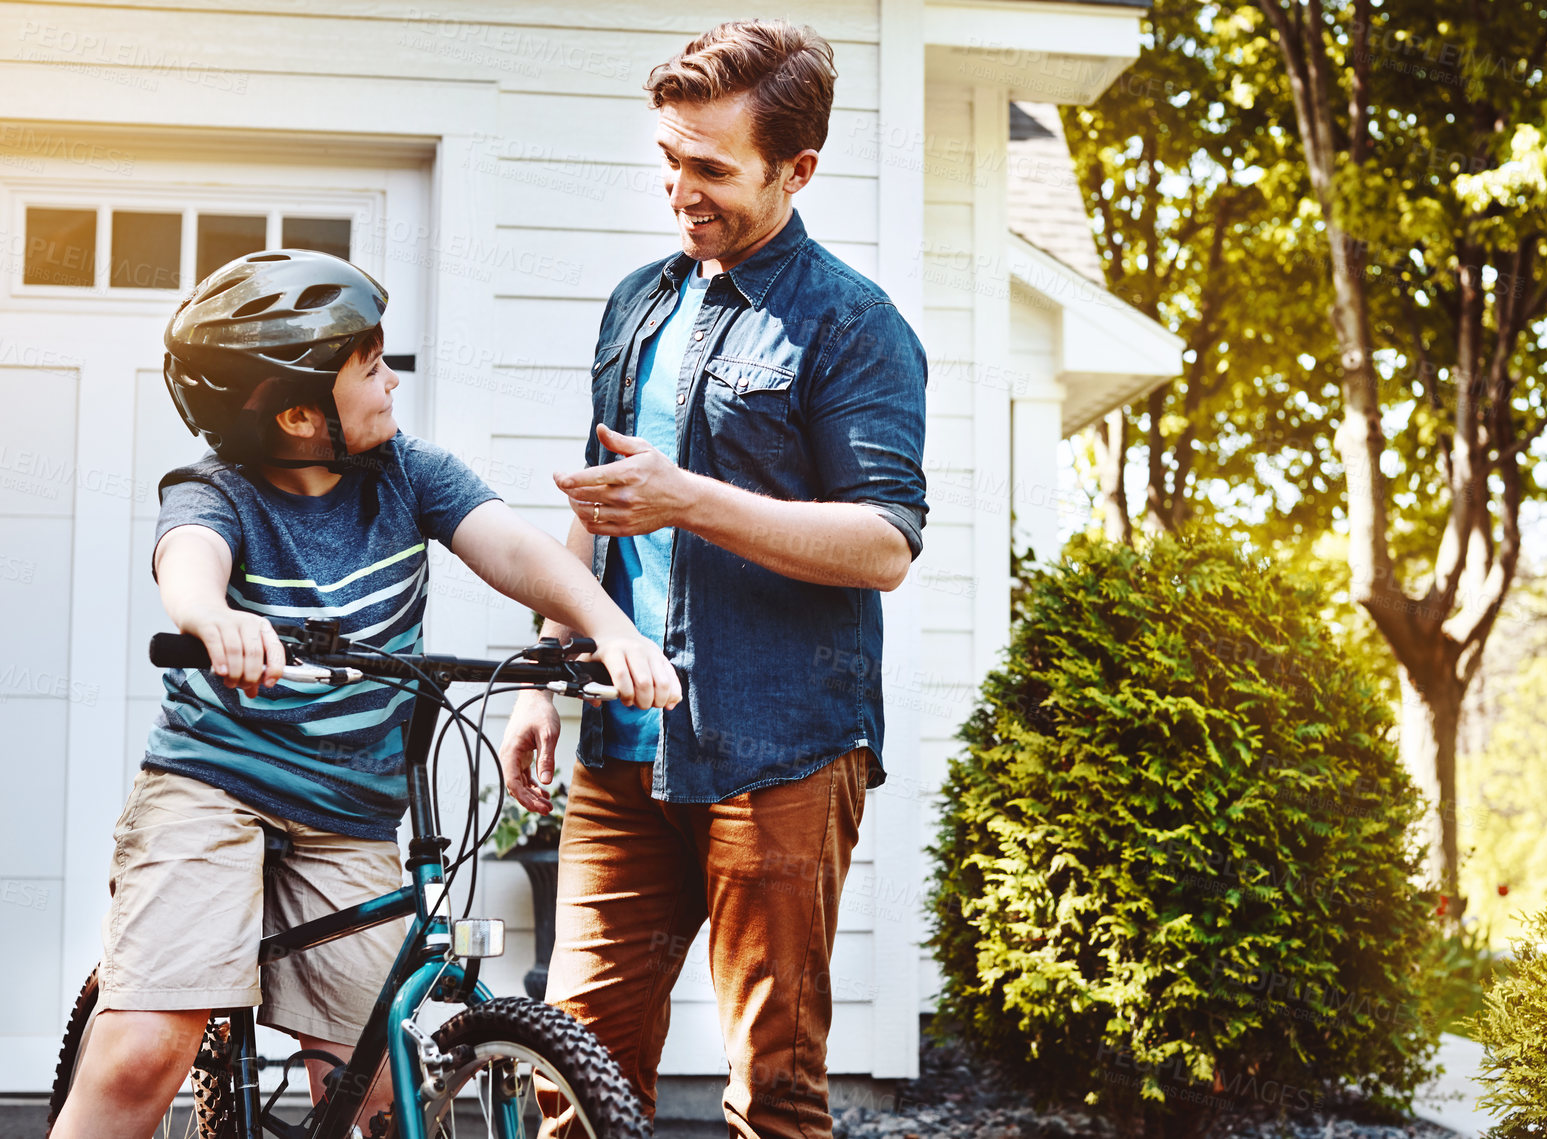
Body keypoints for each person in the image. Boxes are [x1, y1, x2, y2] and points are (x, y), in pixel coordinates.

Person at [50, 248, 680, 1139]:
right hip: (213, 789)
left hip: (349, 807)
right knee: (146, 1049)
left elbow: (513, 549)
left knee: (380, 1086)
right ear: (303, 415)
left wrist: (609, 629)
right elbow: (189, 559)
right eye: (370, 368)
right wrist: (213, 619)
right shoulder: (218, 488)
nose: (392, 381)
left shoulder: (407, 473)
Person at [496, 19, 929, 1139]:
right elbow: (599, 508)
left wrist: (692, 497)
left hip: (778, 747)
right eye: (668, 160)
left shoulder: (853, 324)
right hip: (622, 748)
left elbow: (884, 540)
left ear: (797, 169)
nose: (678, 191)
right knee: (571, 1066)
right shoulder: (638, 301)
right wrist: (544, 672)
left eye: (709, 168)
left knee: (772, 1090)